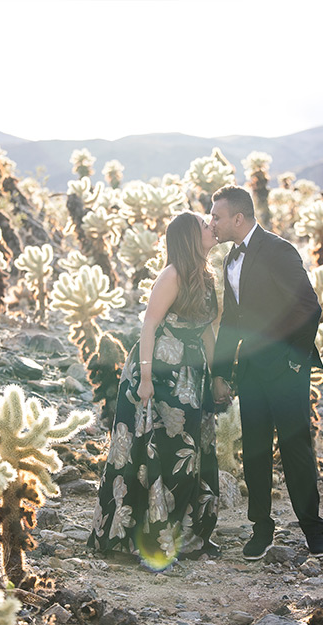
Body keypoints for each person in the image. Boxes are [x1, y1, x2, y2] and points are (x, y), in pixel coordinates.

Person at [88, 211, 221, 567]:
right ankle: (144, 538)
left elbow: (207, 330)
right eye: (205, 227)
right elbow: (149, 325)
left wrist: (218, 375)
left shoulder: (205, 276)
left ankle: (183, 534)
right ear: (190, 238)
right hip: (158, 371)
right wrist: (145, 378)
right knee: (155, 448)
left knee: (189, 450)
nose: (212, 228)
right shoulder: (172, 275)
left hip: (192, 374)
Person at [208, 184, 323, 560]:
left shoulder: (279, 250)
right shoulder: (230, 260)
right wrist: (221, 371)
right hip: (251, 370)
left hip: (287, 369)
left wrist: (294, 361)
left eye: (217, 217)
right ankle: (261, 529)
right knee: (256, 451)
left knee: (296, 449)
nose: (212, 223)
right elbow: (231, 320)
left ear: (238, 218)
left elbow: (308, 307)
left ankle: (313, 531)